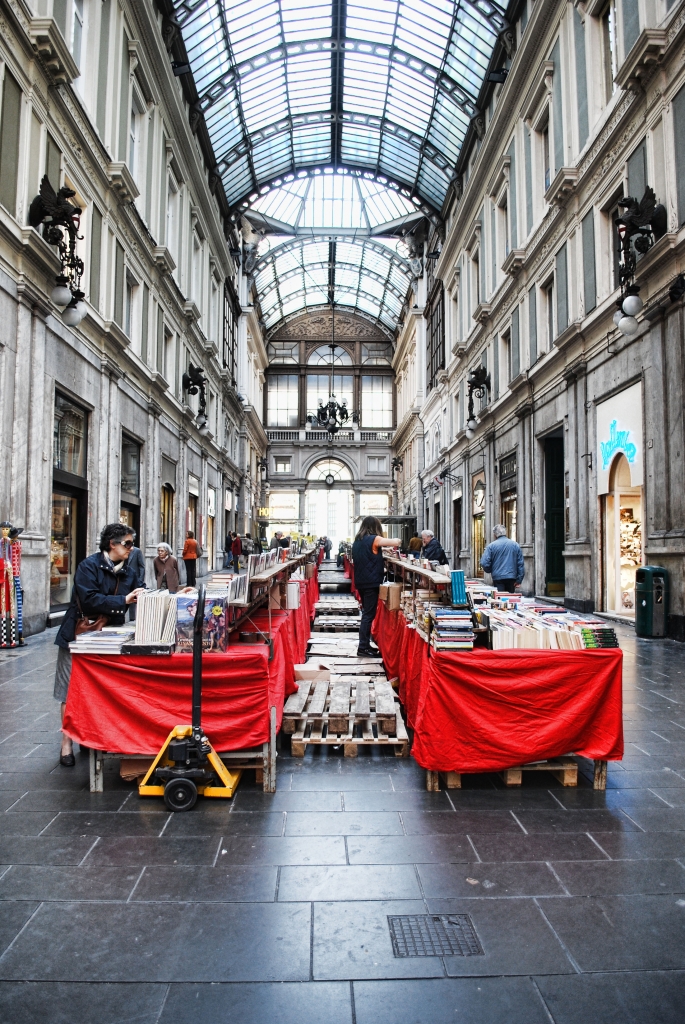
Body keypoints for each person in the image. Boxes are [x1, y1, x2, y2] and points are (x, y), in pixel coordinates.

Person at [53, 523, 145, 766]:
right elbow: (89, 598)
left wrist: (163, 595)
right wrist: (123, 599)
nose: (131, 548)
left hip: (111, 636)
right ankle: (66, 743)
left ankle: (92, 735)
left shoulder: (129, 570)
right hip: (79, 633)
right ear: (111, 544)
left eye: (132, 543)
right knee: (69, 688)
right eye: (127, 543)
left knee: (101, 688)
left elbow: (141, 590)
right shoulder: (88, 566)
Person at [351, 516, 401, 658]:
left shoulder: (357, 541)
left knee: (367, 613)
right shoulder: (374, 539)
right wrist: (397, 541)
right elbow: (394, 541)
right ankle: (363, 647)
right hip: (371, 582)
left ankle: (365, 645)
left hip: (361, 581)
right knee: (368, 615)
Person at [480, 524, 524, 592]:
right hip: (511, 577)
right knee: (510, 598)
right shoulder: (515, 545)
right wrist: (519, 579)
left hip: (498, 577)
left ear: (495, 535)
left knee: (500, 598)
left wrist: (490, 570)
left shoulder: (491, 546)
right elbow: (520, 564)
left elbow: (484, 563)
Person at [126, 539, 146, 621]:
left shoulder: (137, 551)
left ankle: (132, 617)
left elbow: (142, 566)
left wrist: (140, 579)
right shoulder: (121, 553)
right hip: (125, 578)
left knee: (133, 598)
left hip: (135, 578)